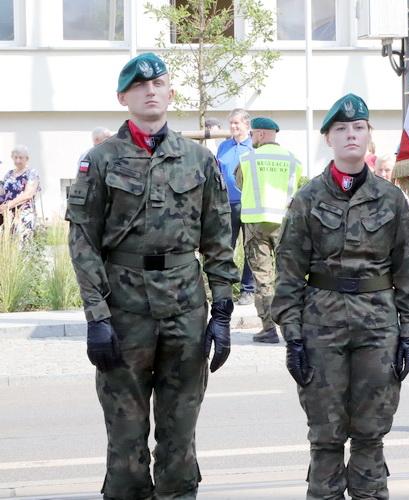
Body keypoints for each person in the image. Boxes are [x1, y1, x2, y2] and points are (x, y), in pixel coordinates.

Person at [65, 52, 240, 499]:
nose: (149, 91)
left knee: (180, 438)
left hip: (185, 309)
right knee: (126, 441)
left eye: (158, 83)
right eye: (139, 86)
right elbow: (83, 241)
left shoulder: (199, 160)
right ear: (122, 97)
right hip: (125, 311)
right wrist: (96, 316)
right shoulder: (100, 160)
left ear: (170, 93)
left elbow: (218, 238)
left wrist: (222, 310)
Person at [272, 93, 409, 499]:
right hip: (321, 323)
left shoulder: (391, 198)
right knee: (325, 433)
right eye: (341, 129)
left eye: (359, 127)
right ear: (328, 138)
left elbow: (406, 267)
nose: (351, 135)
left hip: (377, 324)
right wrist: (292, 336)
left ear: (369, 135)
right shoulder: (308, 198)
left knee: (371, 431)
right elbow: (289, 271)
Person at [235, 116, 303, 343]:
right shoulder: (293, 160)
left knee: (263, 278)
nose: (251, 137)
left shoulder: (248, 158)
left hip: (256, 224)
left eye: (252, 133)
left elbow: (239, 183)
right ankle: (291, 328)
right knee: (288, 276)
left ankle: (268, 329)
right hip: (285, 224)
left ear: (261, 134)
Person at [216, 108, 257, 306]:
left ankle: (248, 290)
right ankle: (224, 290)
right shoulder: (223, 146)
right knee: (226, 248)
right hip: (227, 204)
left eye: (236, 123)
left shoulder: (255, 147)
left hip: (249, 205)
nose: (233, 126)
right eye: (231, 123)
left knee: (250, 248)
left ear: (246, 125)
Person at [0, 145, 40, 242]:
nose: (18, 160)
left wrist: (8, 205)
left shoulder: (32, 173)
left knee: (22, 244)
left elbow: (28, 195)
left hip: (23, 214)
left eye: (21, 158)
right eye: (15, 157)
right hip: (8, 216)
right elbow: (3, 193)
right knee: (8, 244)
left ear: (27, 159)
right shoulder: (8, 174)